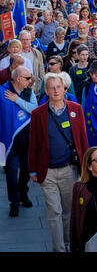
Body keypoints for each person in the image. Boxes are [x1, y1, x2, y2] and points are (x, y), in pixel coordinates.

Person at [28, 73, 89, 252]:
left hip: (70, 170)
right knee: (54, 212)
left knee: (68, 212)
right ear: (46, 91)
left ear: (64, 89)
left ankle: (69, 243)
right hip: (47, 172)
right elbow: (34, 143)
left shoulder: (76, 109)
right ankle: (59, 249)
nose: (55, 91)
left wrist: (87, 167)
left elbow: (83, 139)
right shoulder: (38, 113)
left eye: (58, 87)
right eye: (51, 88)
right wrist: (32, 170)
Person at [0, 66, 37, 217]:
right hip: (9, 141)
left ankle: (23, 192)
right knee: (11, 172)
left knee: (26, 169)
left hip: (27, 138)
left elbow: (34, 110)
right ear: (18, 78)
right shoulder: (2, 91)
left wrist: (18, 100)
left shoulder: (29, 92)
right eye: (28, 78)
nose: (30, 80)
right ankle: (14, 202)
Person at [19, 30, 45, 96]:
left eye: (27, 39)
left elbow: (41, 71)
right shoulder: (17, 54)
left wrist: (40, 85)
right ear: (19, 40)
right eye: (23, 40)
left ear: (31, 40)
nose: (25, 42)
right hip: (20, 86)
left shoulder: (37, 53)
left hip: (34, 87)